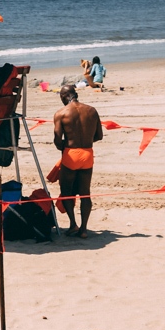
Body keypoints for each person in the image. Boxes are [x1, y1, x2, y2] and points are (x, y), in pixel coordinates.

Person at [52, 84, 103, 237]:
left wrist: (64, 148)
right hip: (87, 153)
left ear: (63, 97)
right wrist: (86, 142)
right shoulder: (92, 111)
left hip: (70, 154)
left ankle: (73, 224)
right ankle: (84, 229)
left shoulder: (61, 113)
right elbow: (99, 136)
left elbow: (57, 139)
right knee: (85, 193)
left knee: (67, 192)